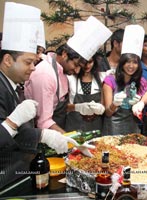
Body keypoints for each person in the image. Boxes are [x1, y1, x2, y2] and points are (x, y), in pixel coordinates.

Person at [0, 2, 77, 189]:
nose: (33, 68)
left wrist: (44, 135)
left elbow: (17, 134)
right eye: (28, 62)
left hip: (19, 171)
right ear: (8, 60)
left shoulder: (13, 85)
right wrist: (11, 122)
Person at [25, 16, 112, 134]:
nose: (77, 71)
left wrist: (78, 107)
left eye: (80, 67)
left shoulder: (61, 71)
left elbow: (61, 107)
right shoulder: (46, 74)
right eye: (76, 65)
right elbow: (43, 122)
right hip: (42, 135)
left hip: (57, 128)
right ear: (65, 54)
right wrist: (69, 140)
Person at [102, 25, 147, 135]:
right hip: (113, 128)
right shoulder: (110, 80)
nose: (131, 66)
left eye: (135, 62)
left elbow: (146, 98)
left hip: (133, 127)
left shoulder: (141, 82)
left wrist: (138, 105)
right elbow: (107, 113)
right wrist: (115, 103)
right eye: (128, 62)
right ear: (122, 63)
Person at [65, 55, 105, 132]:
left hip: (96, 126)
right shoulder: (70, 78)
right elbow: (63, 107)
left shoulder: (101, 78)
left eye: (90, 62)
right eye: (84, 63)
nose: (87, 66)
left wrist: (98, 111)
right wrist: (78, 107)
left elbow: (103, 104)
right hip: (74, 125)